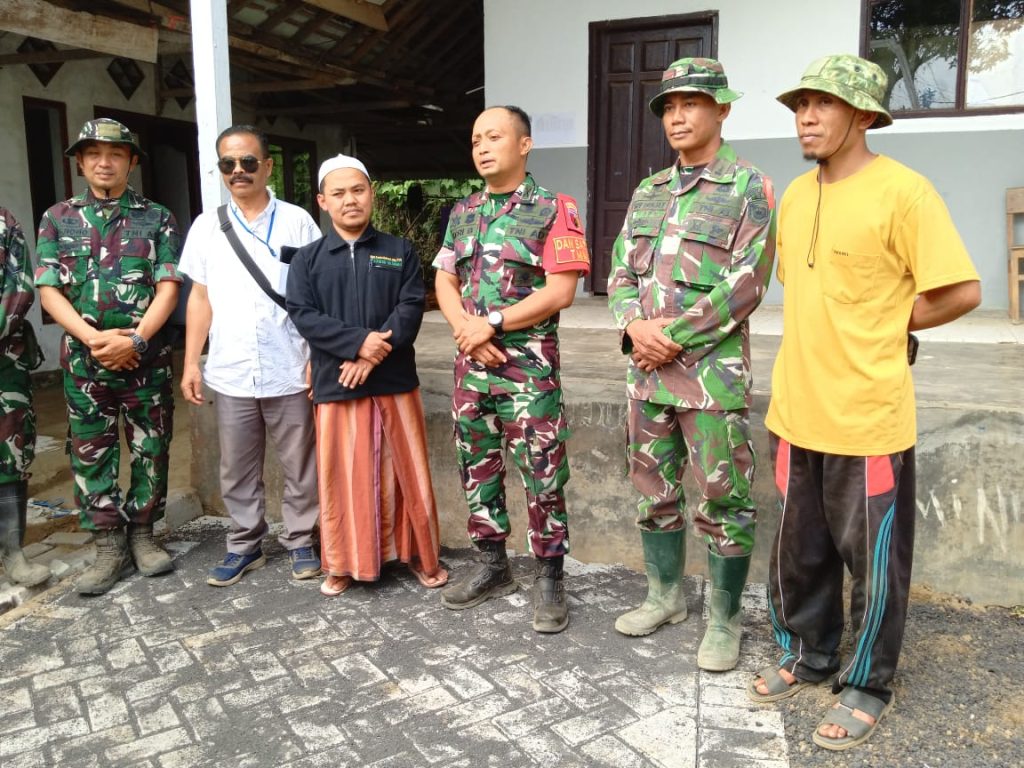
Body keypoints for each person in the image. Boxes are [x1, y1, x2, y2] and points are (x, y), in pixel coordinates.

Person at [748, 55, 981, 751]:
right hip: (796, 409)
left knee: (874, 563)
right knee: (799, 552)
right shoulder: (795, 196)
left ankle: (868, 683)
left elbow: (961, 290)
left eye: (823, 104)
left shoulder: (904, 193)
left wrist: (891, 322)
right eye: (801, 105)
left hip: (868, 416)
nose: (806, 118)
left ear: (863, 116)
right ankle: (808, 654)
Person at [607, 58, 776, 672]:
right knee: (652, 492)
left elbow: (748, 282)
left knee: (724, 499)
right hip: (646, 376)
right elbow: (620, 272)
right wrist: (634, 327)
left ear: (722, 109)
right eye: (669, 108)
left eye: (692, 104)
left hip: (710, 377)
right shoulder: (649, 191)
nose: (677, 117)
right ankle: (665, 597)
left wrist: (670, 338)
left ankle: (724, 620)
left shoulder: (748, 187)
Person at [433, 105, 591, 633]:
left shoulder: (554, 208)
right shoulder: (463, 211)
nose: (482, 146)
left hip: (527, 370)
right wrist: (466, 329)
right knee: (476, 464)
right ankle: (492, 565)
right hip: (472, 366)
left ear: (524, 145)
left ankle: (549, 575)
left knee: (542, 470)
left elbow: (561, 290)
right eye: (476, 138)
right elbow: (445, 278)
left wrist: (491, 324)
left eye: (494, 136)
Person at [286, 155, 447, 597]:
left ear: (371, 194)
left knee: (406, 474)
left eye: (357, 190)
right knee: (343, 478)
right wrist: (359, 344)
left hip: (394, 381)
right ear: (323, 201)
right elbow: (303, 314)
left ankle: (420, 556)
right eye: (338, 193)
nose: (350, 200)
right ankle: (341, 561)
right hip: (338, 382)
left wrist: (371, 355)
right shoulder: (307, 260)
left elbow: (410, 307)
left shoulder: (399, 250)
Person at [36, 118, 181, 595]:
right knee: (89, 451)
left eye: (115, 154)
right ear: (80, 162)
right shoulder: (57, 218)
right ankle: (108, 545)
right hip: (85, 365)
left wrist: (135, 341)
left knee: (151, 447)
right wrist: (95, 340)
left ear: (131, 161)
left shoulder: (157, 218)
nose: (104, 162)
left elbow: (168, 287)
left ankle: (143, 535)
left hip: (145, 361)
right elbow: (49, 290)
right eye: (94, 154)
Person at [179, 125, 321, 587]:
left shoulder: (298, 222)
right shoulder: (206, 227)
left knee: (300, 462)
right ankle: (245, 544)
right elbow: (200, 298)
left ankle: (301, 540)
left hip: (289, 363)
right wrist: (191, 362)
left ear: (268, 166)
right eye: (228, 164)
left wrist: (316, 355)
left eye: (248, 162)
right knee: (236, 466)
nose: (238, 171)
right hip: (232, 367)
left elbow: (317, 294)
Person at [0, 206, 48, 587]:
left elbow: (20, 289)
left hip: (4, 360)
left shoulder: (4, 222)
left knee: (10, 451)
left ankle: (13, 552)